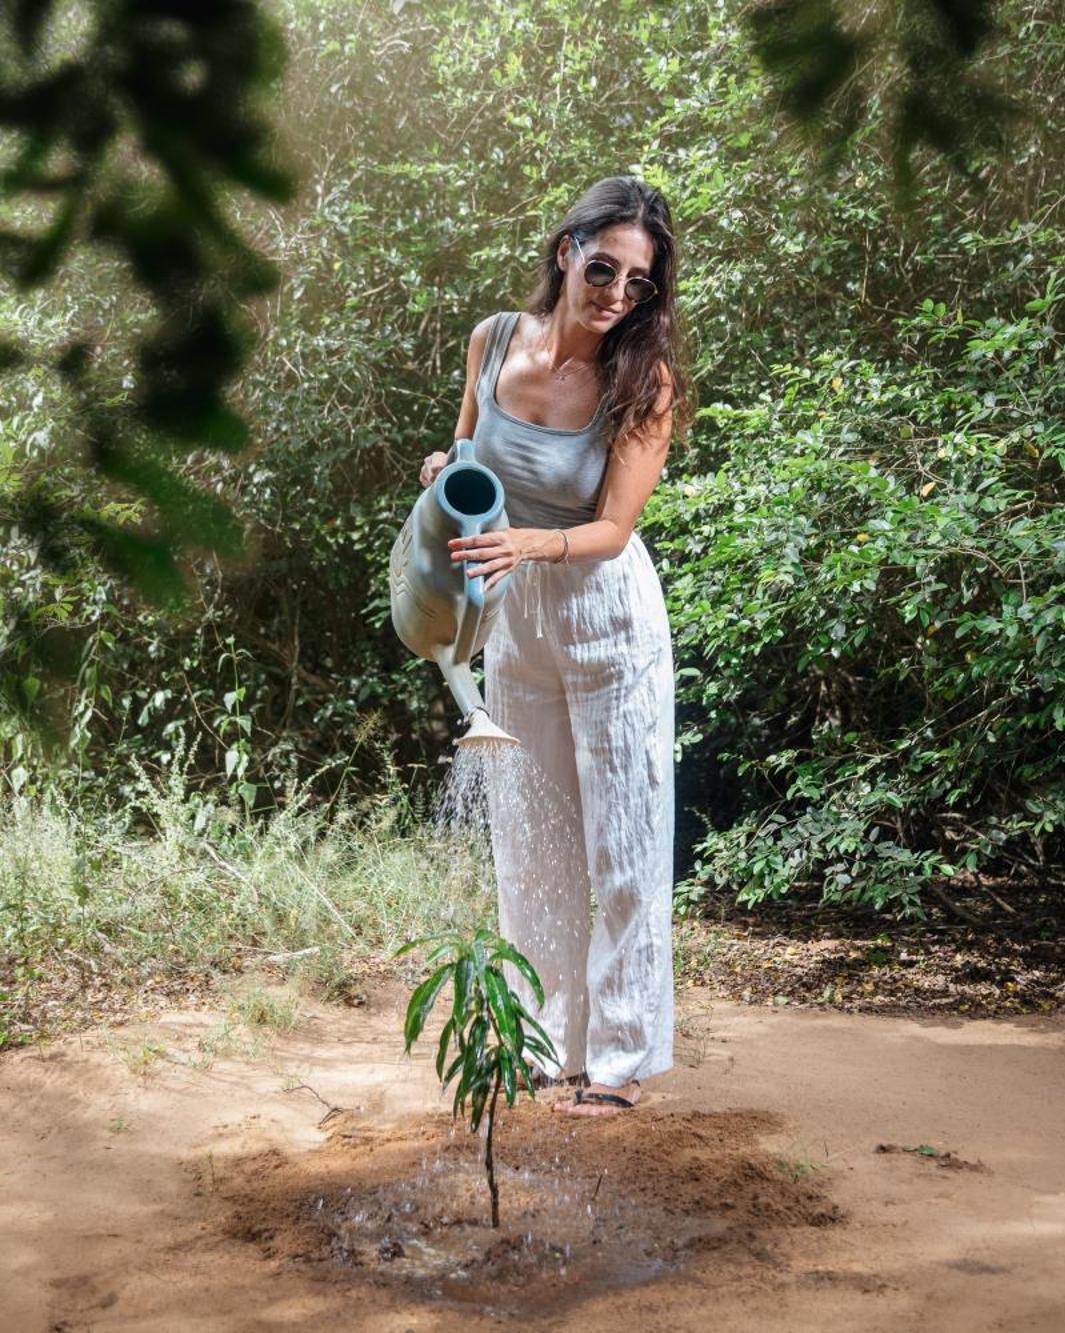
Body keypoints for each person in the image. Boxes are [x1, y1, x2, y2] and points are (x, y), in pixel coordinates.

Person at [418, 176, 689, 1118]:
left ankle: (616, 1060)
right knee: (531, 844)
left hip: (607, 615)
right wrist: (445, 473)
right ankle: (537, 1043)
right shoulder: (493, 341)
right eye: (604, 266)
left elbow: (613, 527)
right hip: (511, 614)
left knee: (623, 846)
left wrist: (531, 540)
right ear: (565, 248)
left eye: (640, 282)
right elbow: (462, 455)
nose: (618, 293)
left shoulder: (641, 379)